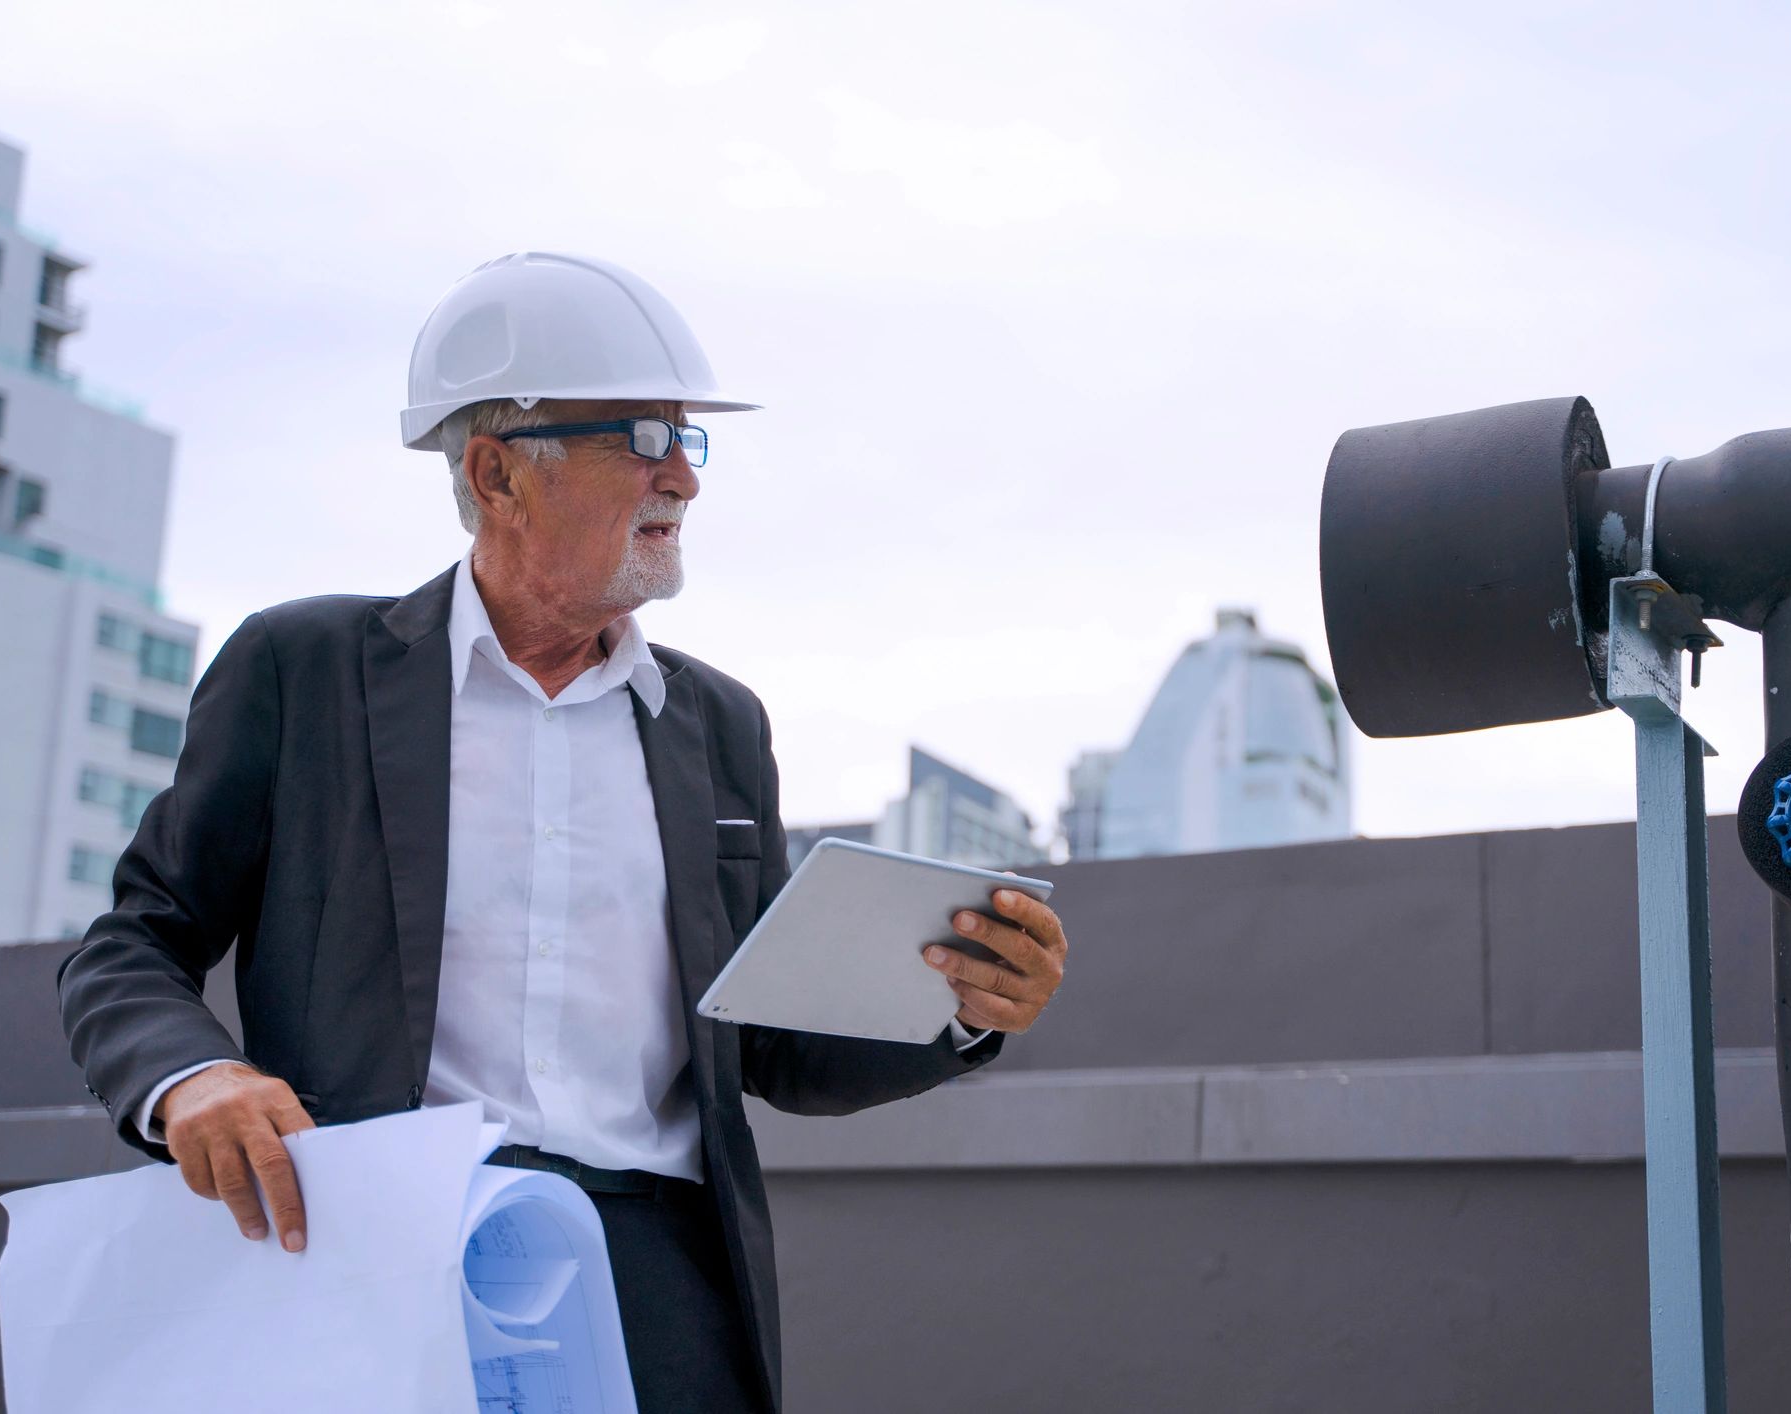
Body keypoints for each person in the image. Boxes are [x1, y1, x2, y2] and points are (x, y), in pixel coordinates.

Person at [57, 252, 1071, 1413]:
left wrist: (960, 1006)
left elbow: (777, 1045)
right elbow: (134, 940)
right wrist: (192, 1076)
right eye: (644, 436)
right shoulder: (306, 672)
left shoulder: (720, 724)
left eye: (692, 442)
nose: (683, 479)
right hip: (383, 1260)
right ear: (497, 471)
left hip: (665, 1286)